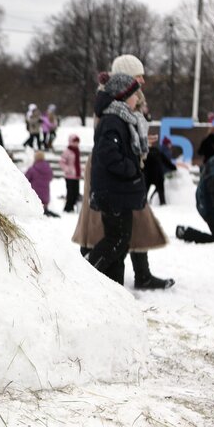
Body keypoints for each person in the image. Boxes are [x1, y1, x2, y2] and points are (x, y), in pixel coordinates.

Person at [73, 54, 174, 290]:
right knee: (112, 228)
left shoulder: (128, 99)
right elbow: (109, 139)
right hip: (112, 172)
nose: (143, 81)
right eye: (138, 76)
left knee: (128, 225)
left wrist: (138, 141)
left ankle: (136, 273)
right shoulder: (113, 102)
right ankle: (92, 270)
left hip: (123, 169)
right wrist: (129, 152)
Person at [84, 73, 146, 285]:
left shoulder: (120, 119)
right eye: (134, 94)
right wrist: (131, 168)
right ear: (123, 96)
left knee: (121, 244)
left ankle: (113, 289)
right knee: (117, 240)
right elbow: (109, 154)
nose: (137, 99)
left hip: (117, 191)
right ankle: (82, 278)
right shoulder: (113, 120)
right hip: (113, 191)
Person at [25, 150, 57, 217]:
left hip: (35, 193)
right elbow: (51, 177)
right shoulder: (48, 168)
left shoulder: (33, 168)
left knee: (36, 200)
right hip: (46, 194)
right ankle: (45, 209)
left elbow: (25, 179)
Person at [144, 141, 176, 205]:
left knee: (145, 190)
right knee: (160, 190)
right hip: (158, 174)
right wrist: (174, 168)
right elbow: (166, 161)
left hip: (147, 175)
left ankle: (143, 203)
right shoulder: (158, 152)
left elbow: (141, 165)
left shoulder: (145, 153)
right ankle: (162, 202)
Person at [60, 134, 81, 212]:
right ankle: (68, 208)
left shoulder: (77, 150)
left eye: (77, 142)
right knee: (70, 193)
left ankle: (73, 206)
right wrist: (68, 169)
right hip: (69, 176)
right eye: (74, 142)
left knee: (76, 192)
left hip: (76, 175)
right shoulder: (67, 151)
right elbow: (62, 162)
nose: (76, 144)